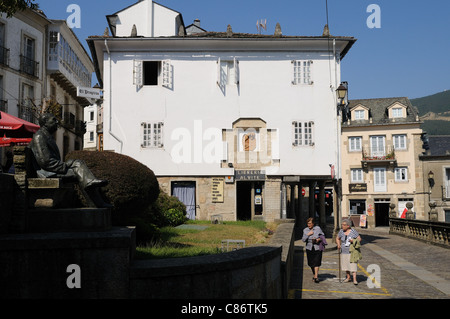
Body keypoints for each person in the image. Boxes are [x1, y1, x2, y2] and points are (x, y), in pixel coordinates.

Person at [28, 113, 111, 208]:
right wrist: (65, 166)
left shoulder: (47, 136)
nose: (57, 122)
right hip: (46, 172)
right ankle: (96, 202)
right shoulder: (40, 136)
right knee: (79, 172)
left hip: (52, 169)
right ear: (46, 123)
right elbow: (45, 162)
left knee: (79, 165)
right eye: (53, 120)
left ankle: (94, 196)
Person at [336, 219, 362, 285]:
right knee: (346, 265)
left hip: (352, 251)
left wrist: (353, 241)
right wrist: (338, 244)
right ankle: (348, 277)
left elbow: (359, 238)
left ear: (348, 226)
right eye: (342, 225)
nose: (342, 226)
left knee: (353, 265)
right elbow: (337, 238)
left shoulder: (353, 231)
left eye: (344, 225)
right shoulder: (341, 231)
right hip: (343, 251)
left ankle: (355, 280)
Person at [302, 217, 325, 283]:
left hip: (317, 247)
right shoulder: (305, 230)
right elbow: (303, 240)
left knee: (317, 262)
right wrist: (308, 234)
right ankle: (314, 274)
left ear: (313, 223)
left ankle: (316, 277)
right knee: (311, 263)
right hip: (309, 248)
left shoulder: (318, 228)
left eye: (310, 223)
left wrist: (318, 239)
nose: (308, 225)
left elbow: (322, 236)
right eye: (308, 223)